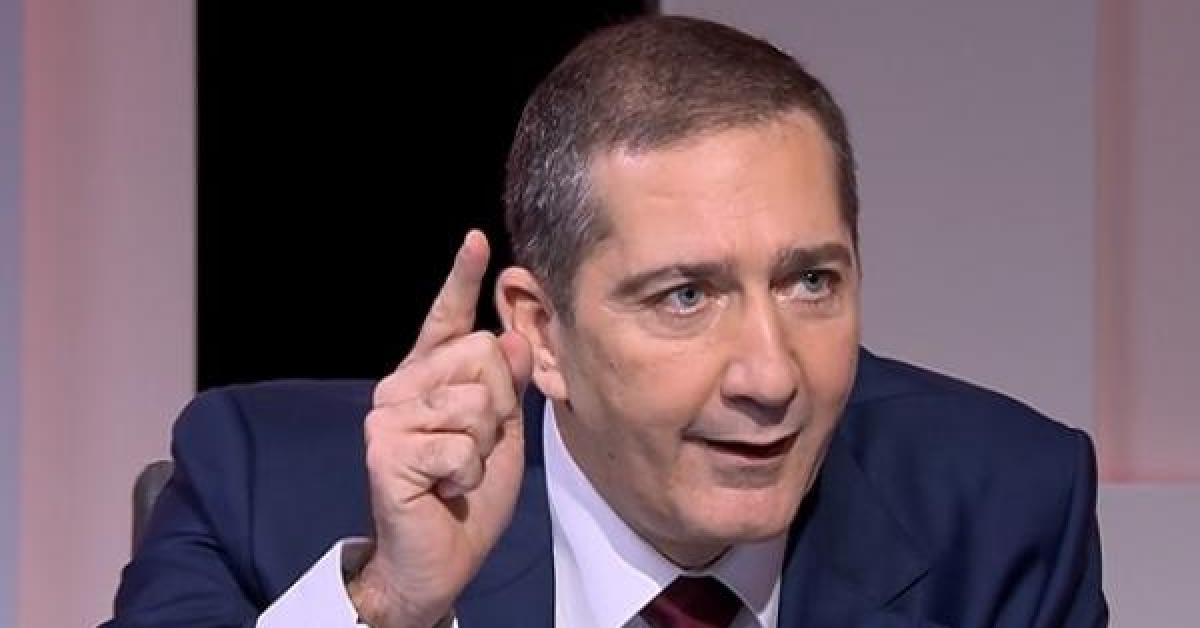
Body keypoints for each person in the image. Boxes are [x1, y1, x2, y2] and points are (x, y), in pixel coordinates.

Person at [103, 15, 1107, 628]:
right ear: (541, 332)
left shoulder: (1001, 506)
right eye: (686, 296)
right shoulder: (266, 488)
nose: (770, 376)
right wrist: (391, 605)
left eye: (809, 282)